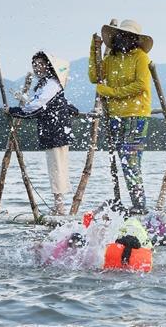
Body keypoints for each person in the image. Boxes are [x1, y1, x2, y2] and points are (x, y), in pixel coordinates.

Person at [90, 19, 153, 214]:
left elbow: (141, 85)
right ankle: (135, 203)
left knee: (130, 159)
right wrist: (94, 50)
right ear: (115, 37)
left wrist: (110, 92)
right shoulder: (111, 59)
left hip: (136, 114)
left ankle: (139, 205)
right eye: (121, 35)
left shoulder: (140, 57)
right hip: (115, 116)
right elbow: (95, 76)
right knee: (123, 159)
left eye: (128, 36)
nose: (124, 39)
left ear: (135, 39)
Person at [11, 52, 78, 215]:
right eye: (35, 64)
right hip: (54, 132)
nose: (37, 67)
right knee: (57, 168)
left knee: (57, 169)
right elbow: (61, 105)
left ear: (48, 66)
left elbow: (38, 106)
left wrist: (14, 111)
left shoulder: (52, 84)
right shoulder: (47, 84)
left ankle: (59, 208)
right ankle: (59, 206)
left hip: (55, 132)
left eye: (40, 63)